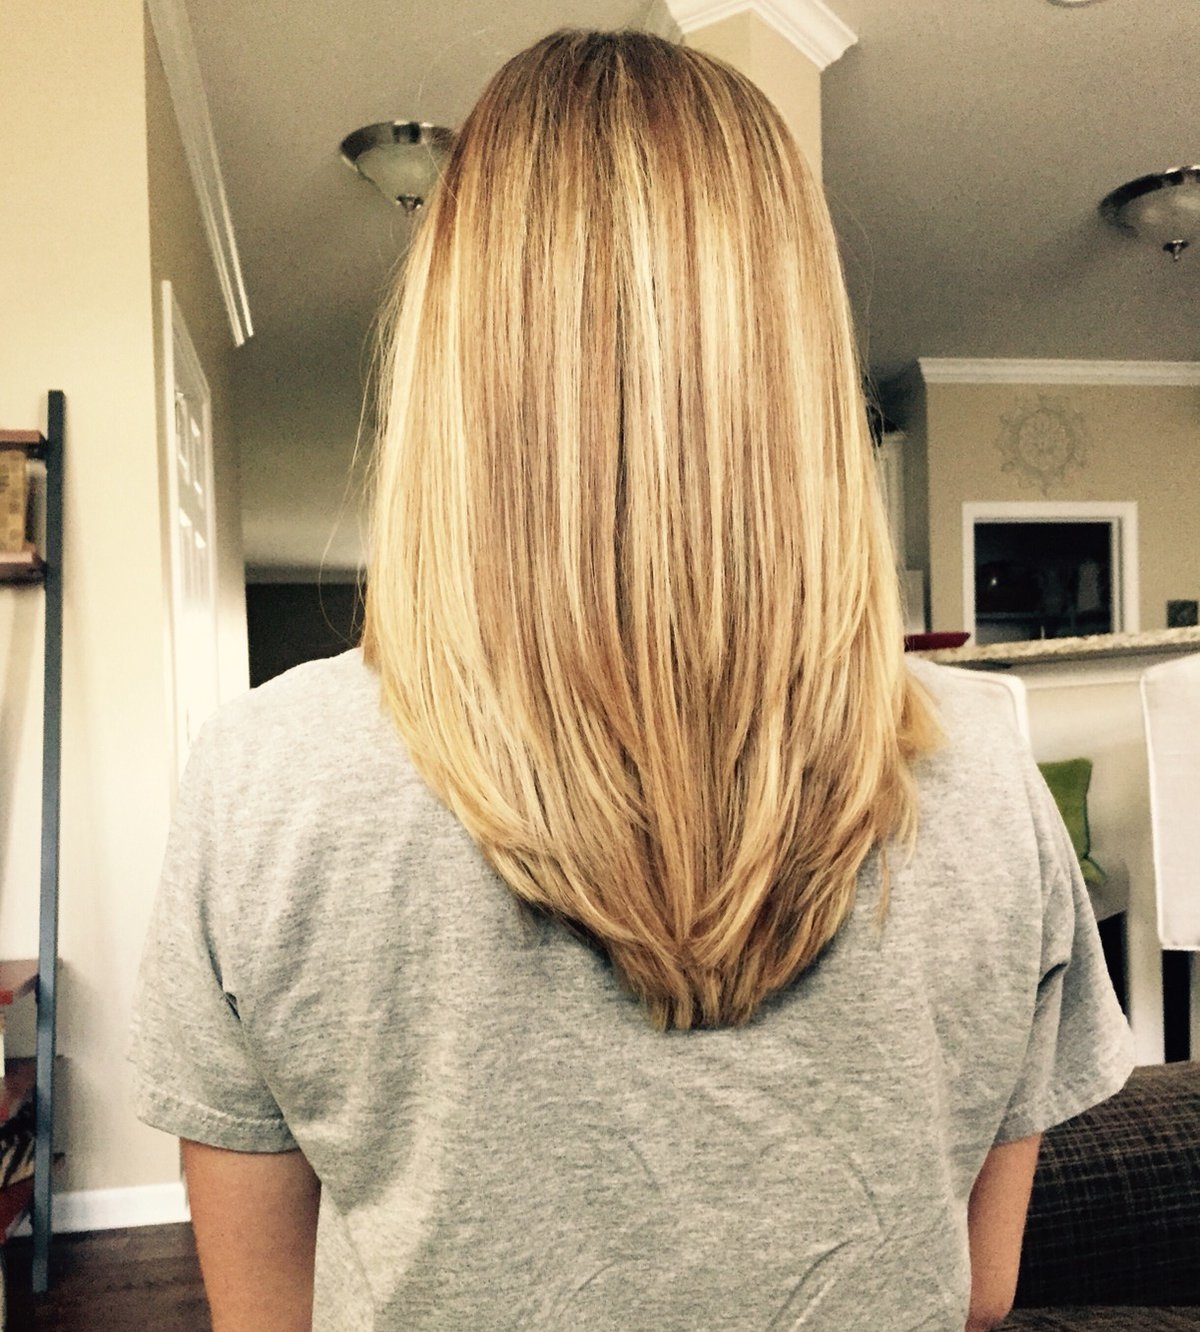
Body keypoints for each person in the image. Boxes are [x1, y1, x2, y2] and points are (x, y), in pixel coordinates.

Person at [130, 29, 1133, 1332]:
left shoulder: (262, 781)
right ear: (797, 358)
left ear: (454, 351)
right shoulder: (987, 766)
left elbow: (267, 1314)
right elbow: (978, 1289)